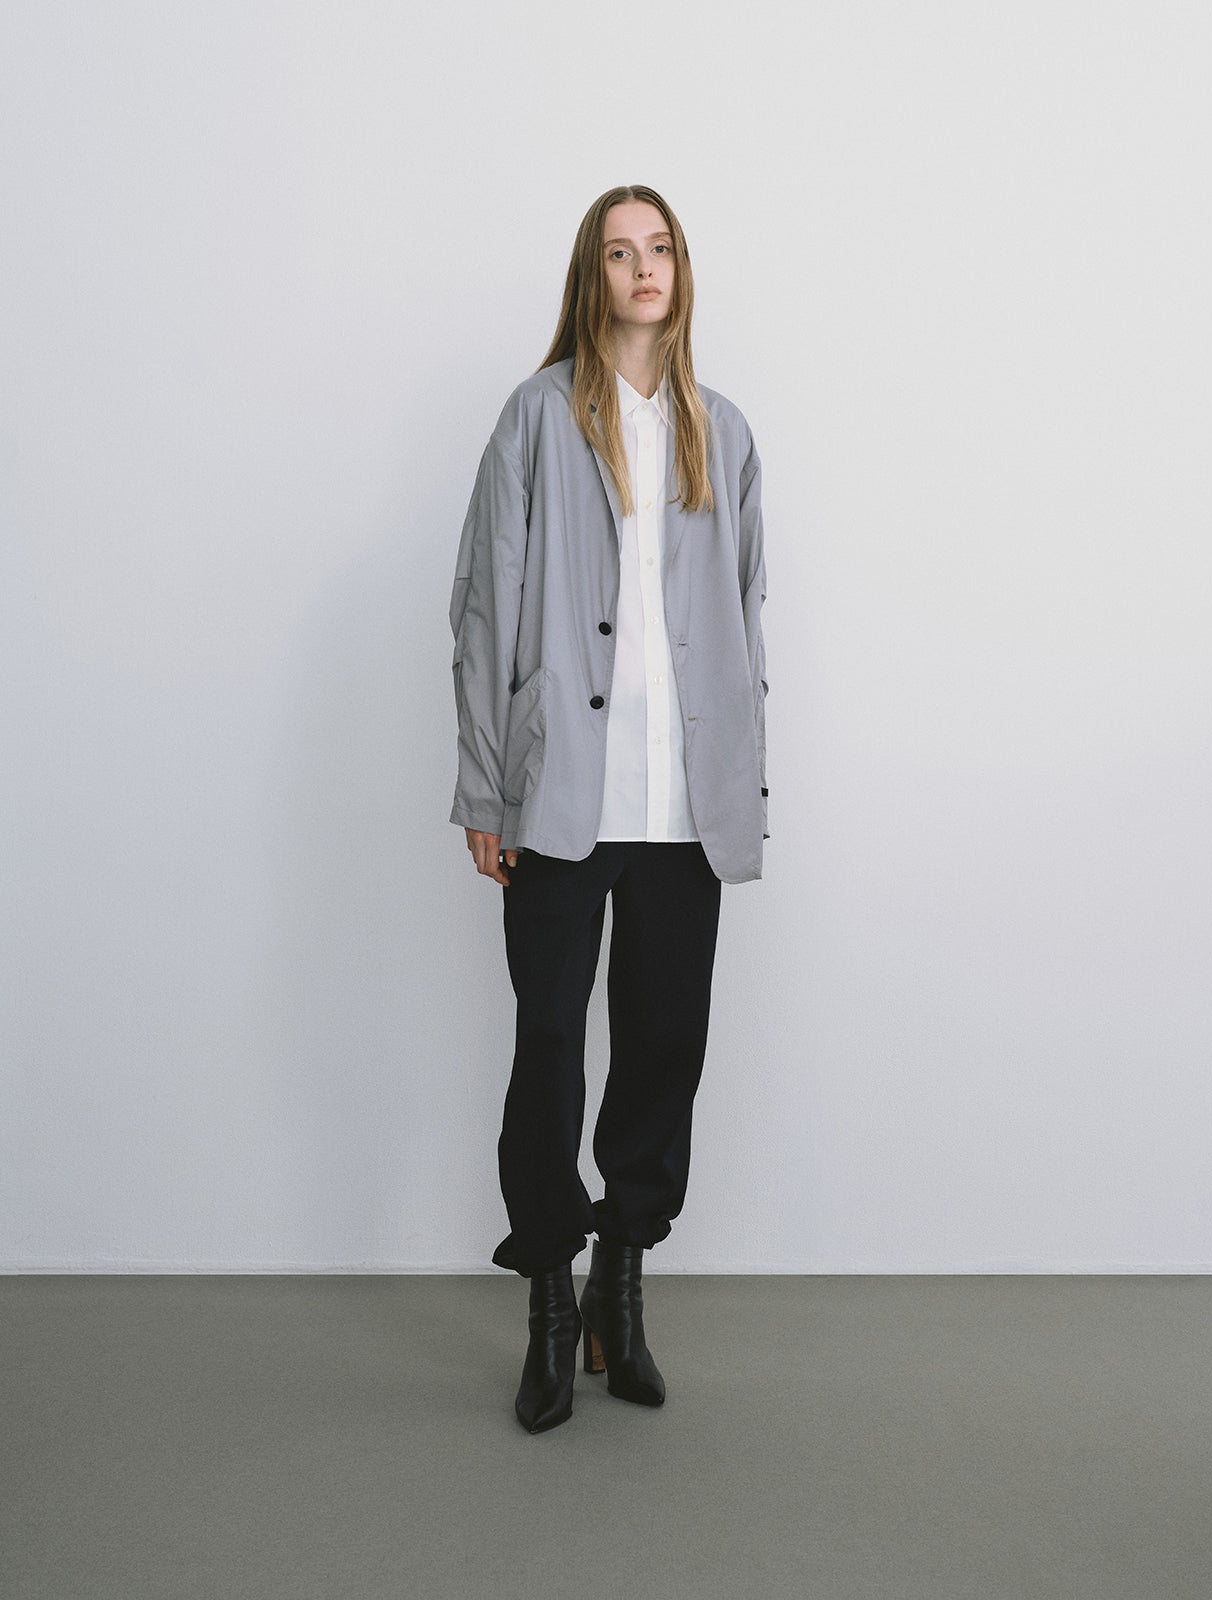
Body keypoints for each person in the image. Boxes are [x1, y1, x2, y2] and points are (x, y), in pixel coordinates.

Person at [448, 184, 768, 1433]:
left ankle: (618, 1296)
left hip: (683, 805)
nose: (645, 268)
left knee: (662, 1049)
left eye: (661, 247)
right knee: (547, 1047)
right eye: (621, 252)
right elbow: (484, 606)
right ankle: (547, 1299)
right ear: (592, 277)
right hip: (560, 795)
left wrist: (743, 782)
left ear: (681, 269)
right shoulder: (535, 418)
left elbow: (745, 621)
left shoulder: (720, 432)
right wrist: (485, 785)